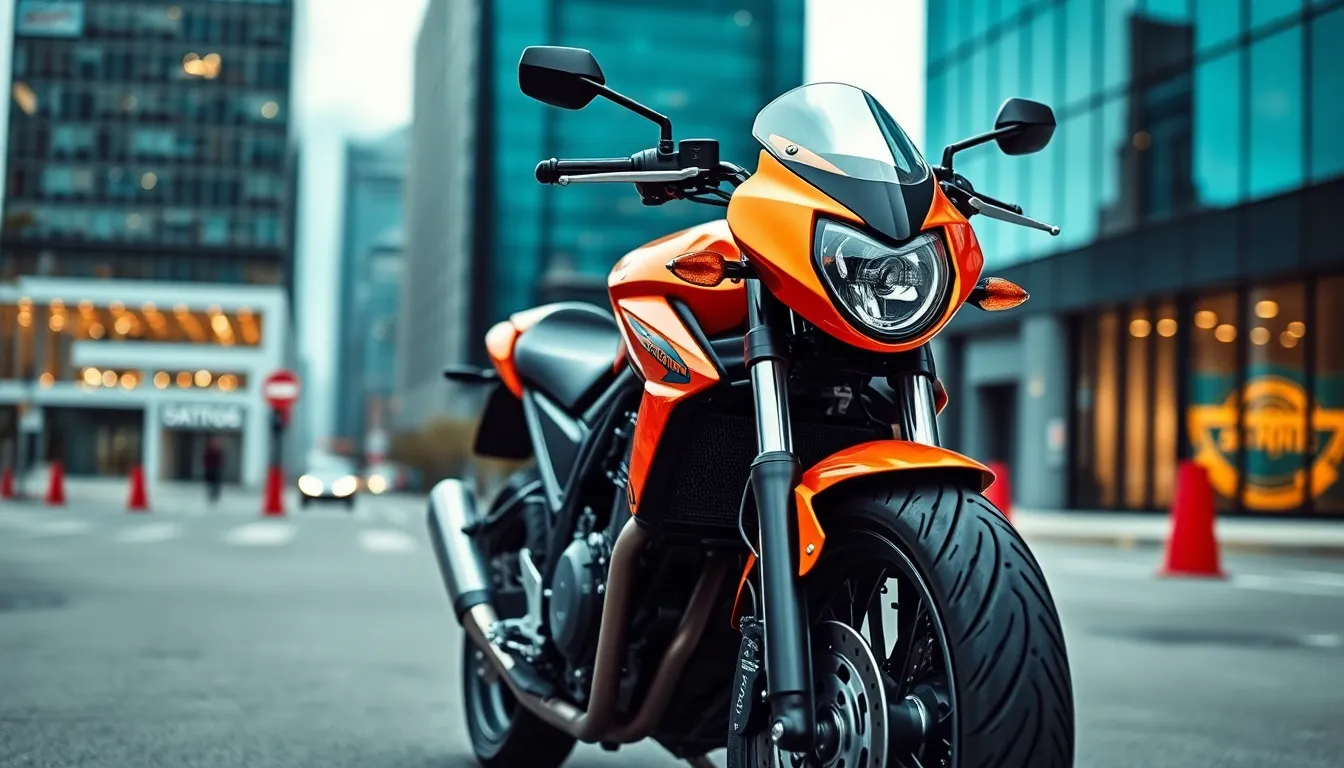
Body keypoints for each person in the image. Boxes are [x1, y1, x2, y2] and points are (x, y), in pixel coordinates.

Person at [203, 436, 223, 505]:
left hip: (216, 469)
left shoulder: (218, 451)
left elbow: (221, 460)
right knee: (209, 484)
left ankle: (215, 496)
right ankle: (210, 496)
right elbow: (205, 459)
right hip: (209, 469)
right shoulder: (208, 450)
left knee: (216, 485)